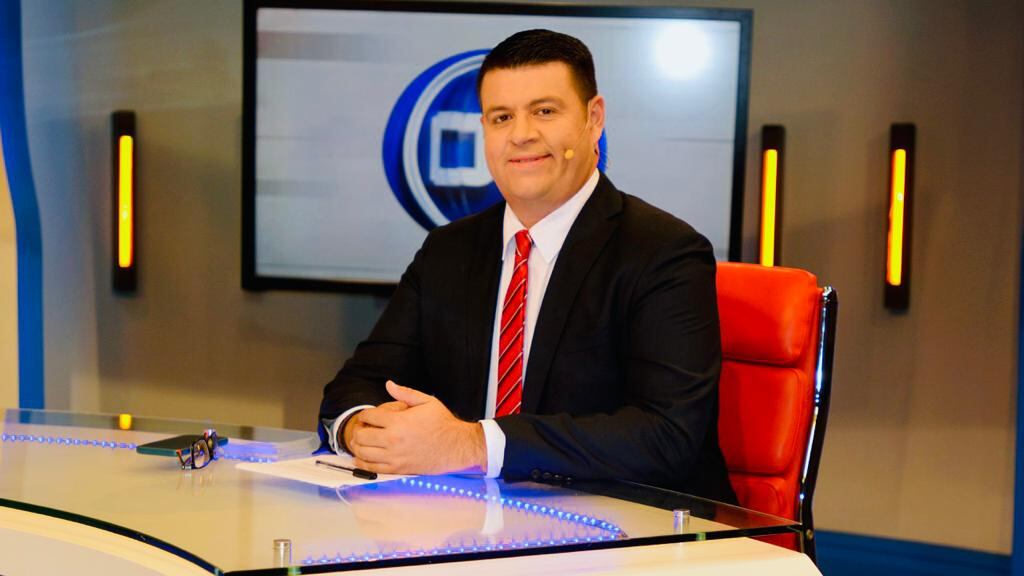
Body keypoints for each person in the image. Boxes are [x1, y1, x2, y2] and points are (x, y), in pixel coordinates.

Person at [319, 29, 736, 503]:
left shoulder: (665, 252)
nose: (521, 135)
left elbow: (668, 435)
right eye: (502, 117)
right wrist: (361, 428)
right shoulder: (448, 250)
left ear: (593, 119)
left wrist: (474, 445)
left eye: (544, 111)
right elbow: (357, 384)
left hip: (627, 527)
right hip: (463, 520)